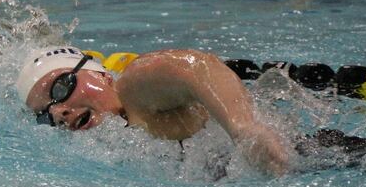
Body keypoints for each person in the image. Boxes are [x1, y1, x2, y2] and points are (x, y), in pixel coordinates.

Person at [16, 46, 290, 175]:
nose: (59, 112)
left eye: (60, 88)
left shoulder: (134, 90)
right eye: (46, 114)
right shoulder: (112, 148)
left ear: (102, 76)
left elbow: (196, 67)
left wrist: (243, 128)